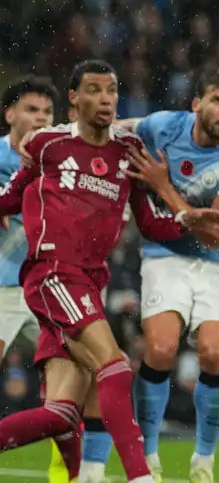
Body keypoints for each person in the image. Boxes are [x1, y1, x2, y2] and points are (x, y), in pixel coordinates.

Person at [0, 60, 219, 483]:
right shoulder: (49, 144)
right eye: (94, 90)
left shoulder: (127, 154)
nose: (104, 99)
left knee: (62, 413)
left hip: (89, 283)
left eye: (111, 91)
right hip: (53, 274)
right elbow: (13, 196)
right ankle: (140, 476)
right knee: (117, 367)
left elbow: (150, 223)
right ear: (74, 99)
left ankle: (80, 476)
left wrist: (188, 222)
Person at [79, 70, 219, 483]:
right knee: (160, 349)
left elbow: (216, 235)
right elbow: (120, 130)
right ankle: (149, 454)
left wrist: (163, 187)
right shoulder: (165, 126)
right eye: (218, 100)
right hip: (166, 253)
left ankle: (204, 457)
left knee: (214, 354)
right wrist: (66, 131)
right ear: (196, 104)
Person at [0, 78, 71, 483]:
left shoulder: (60, 161)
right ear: (10, 114)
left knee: (72, 375)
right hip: (1, 288)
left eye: (46, 113)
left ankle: (65, 471)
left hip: (46, 289)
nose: (40, 119)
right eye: (31, 110)